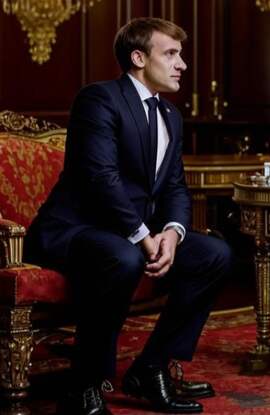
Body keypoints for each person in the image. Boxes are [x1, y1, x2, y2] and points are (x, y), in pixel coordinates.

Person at [25, 17, 231, 415]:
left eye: (181, 55)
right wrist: (142, 235)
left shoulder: (170, 115)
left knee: (214, 254)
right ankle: (83, 386)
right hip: (74, 230)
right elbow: (100, 178)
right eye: (171, 54)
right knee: (123, 257)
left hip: (131, 235)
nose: (182, 64)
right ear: (139, 58)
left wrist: (172, 233)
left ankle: (150, 368)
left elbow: (175, 186)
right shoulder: (99, 99)